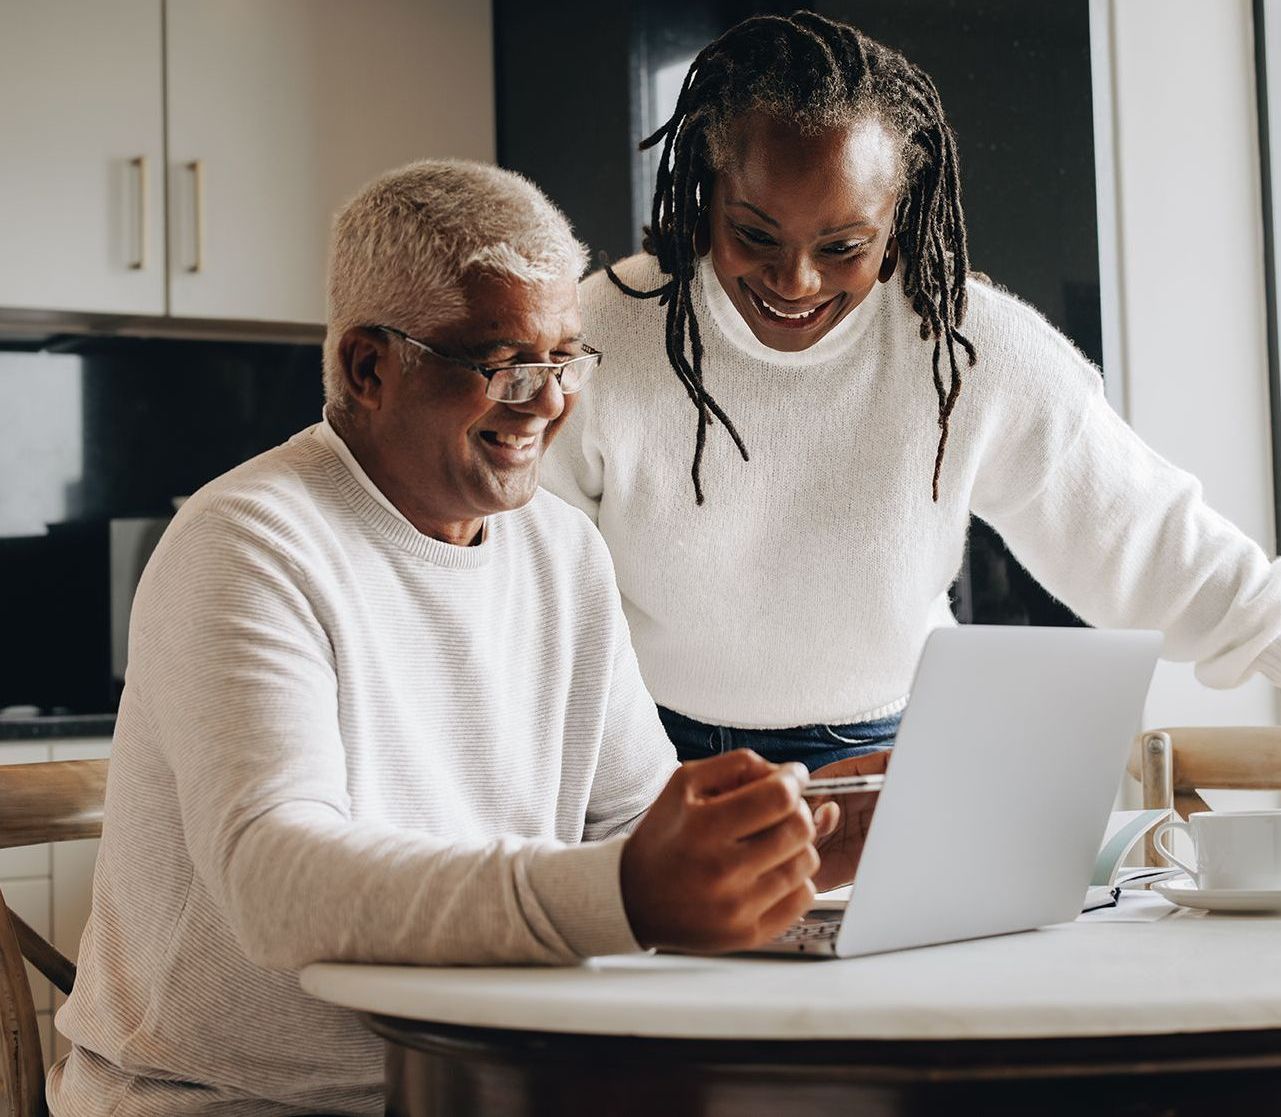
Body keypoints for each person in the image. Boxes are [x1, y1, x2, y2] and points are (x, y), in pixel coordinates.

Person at [46, 160, 876, 1117]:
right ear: (369, 366)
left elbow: (637, 829)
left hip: (486, 1085)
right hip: (234, 1102)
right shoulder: (250, 542)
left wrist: (811, 828)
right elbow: (276, 881)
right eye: (505, 364)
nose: (548, 400)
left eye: (566, 359)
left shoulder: (562, 552)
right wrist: (628, 892)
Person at [540, 10, 1281, 768]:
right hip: (651, 750)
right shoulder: (600, 334)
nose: (795, 281)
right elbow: (522, 585)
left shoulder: (966, 348)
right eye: (756, 234)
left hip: (893, 748)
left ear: (897, 222)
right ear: (704, 195)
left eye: (842, 247)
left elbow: (1148, 540)